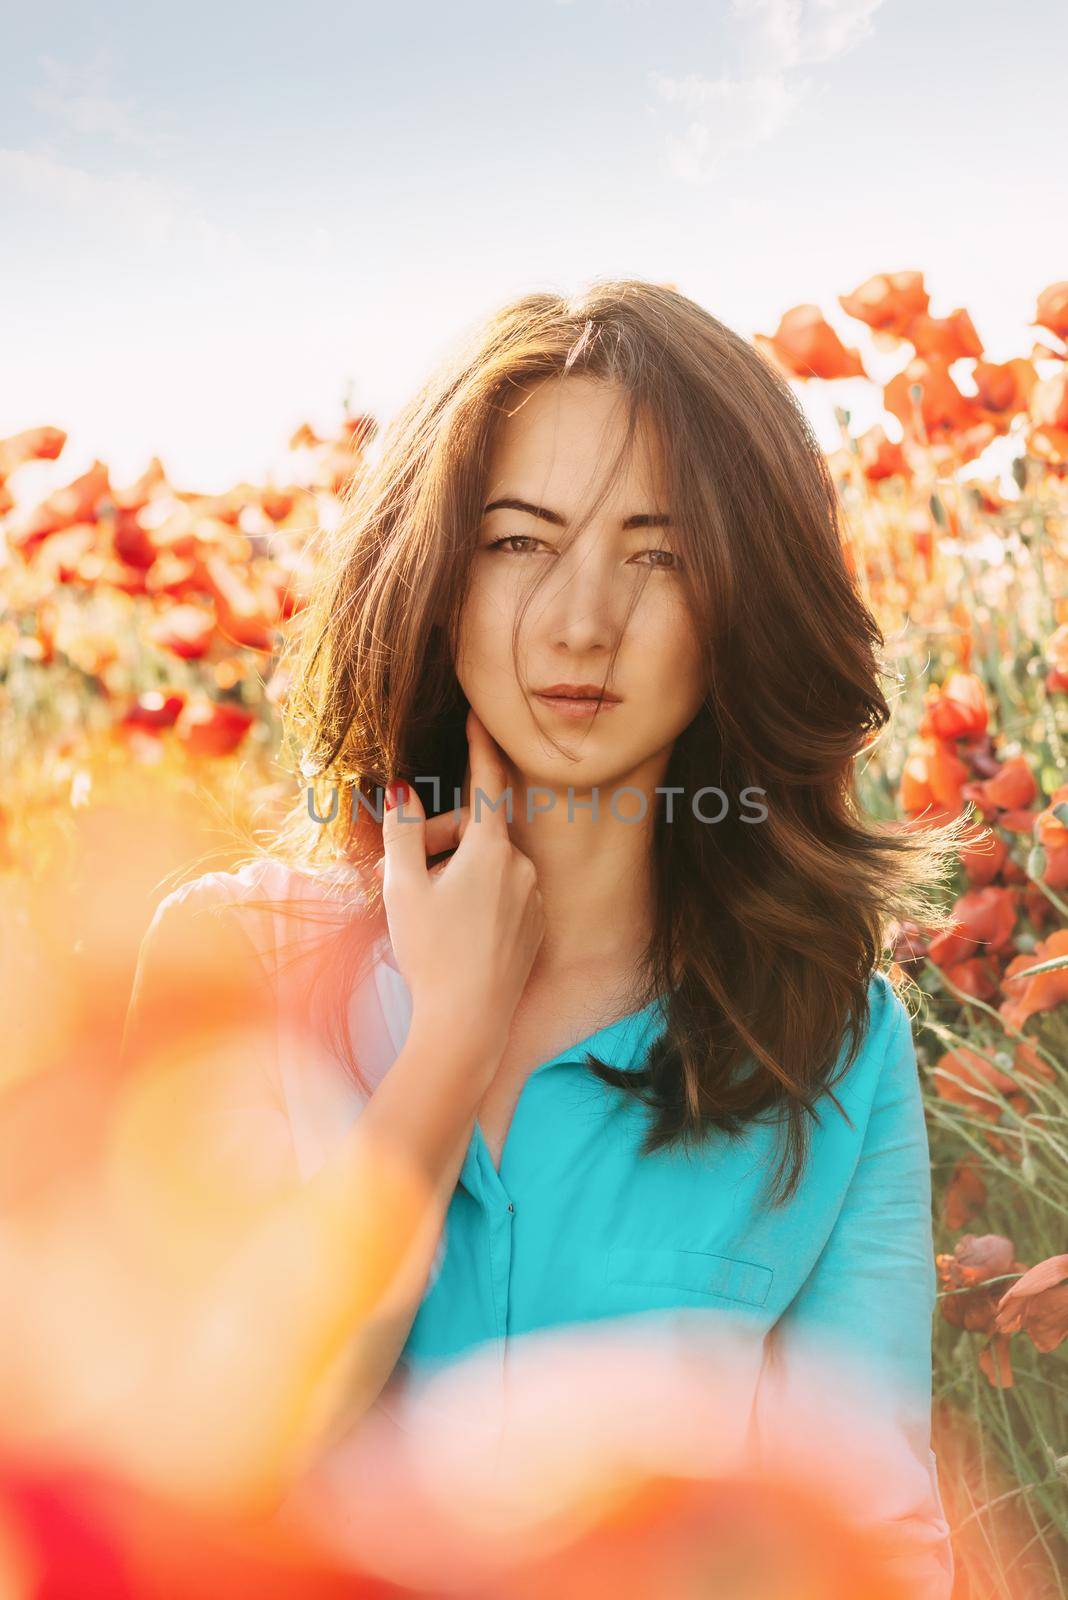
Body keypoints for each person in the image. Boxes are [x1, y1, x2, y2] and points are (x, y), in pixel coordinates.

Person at [121, 279, 965, 1591]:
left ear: (742, 601)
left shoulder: (830, 1041)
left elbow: (873, 1537)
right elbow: (197, 1448)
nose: (583, 620)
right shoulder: (231, 968)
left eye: (660, 553)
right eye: (521, 541)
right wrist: (448, 1043)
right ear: (440, 577)